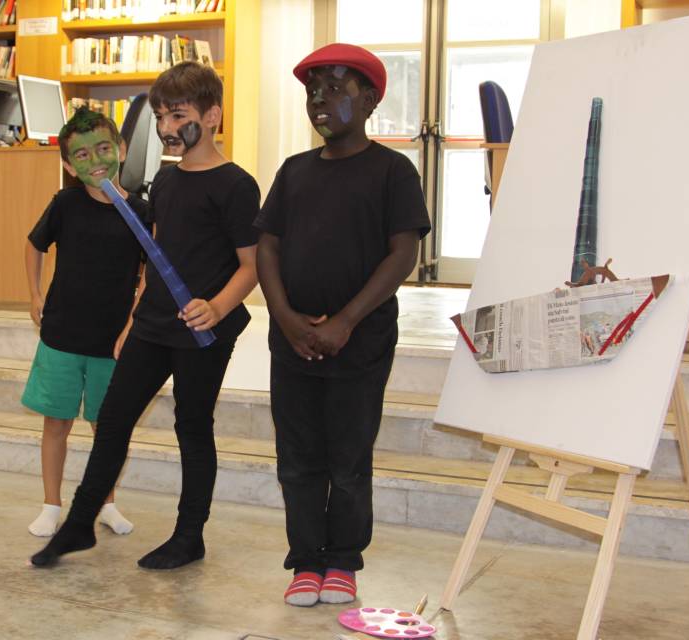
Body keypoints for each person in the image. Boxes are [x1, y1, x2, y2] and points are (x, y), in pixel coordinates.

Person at [30, 61, 260, 570]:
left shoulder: (236, 185)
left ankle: (189, 536)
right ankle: (79, 525)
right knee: (113, 419)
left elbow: (252, 265)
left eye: (178, 116)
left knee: (192, 427)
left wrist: (217, 306)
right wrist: (135, 318)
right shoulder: (167, 182)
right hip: (153, 323)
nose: (166, 128)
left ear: (212, 116)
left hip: (203, 331)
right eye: (159, 117)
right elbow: (157, 257)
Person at [254, 43, 431, 606]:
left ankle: (343, 562)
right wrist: (285, 318)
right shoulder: (294, 172)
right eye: (313, 91)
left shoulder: (393, 171)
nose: (319, 100)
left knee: (349, 458)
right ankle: (306, 560)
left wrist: (347, 321)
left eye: (335, 89)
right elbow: (267, 247)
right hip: (293, 343)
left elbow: (402, 254)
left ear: (371, 99)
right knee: (297, 457)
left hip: (361, 343)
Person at [22, 107, 147, 538]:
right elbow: (34, 245)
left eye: (103, 148)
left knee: (106, 427)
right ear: (68, 165)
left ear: (121, 149)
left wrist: (132, 323)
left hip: (111, 343)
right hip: (61, 336)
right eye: (81, 154)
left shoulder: (141, 211)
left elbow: (151, 273)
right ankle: (51, 504)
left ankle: (105, 503)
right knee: (56, 422)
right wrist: (35, 294)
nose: (95, 160)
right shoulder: (66, 204)